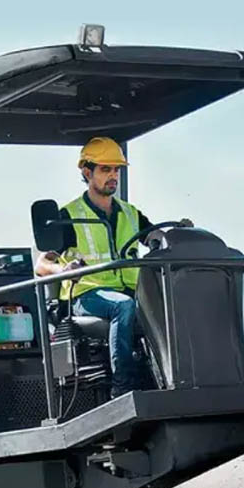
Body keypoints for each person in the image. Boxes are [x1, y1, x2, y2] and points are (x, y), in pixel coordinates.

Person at [35, 136, 191, 397]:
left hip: (130, 290)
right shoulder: (68, 215)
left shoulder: (130, 213)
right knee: (123, 306)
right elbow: (42, 264)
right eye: (105, 169)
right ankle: (123, 387)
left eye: (116, 169)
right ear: (87, 173)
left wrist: (177, 234)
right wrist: (63, 271)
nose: (113, 176)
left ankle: (183, 380)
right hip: (87, 295)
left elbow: (154, 237)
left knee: (177, 302)